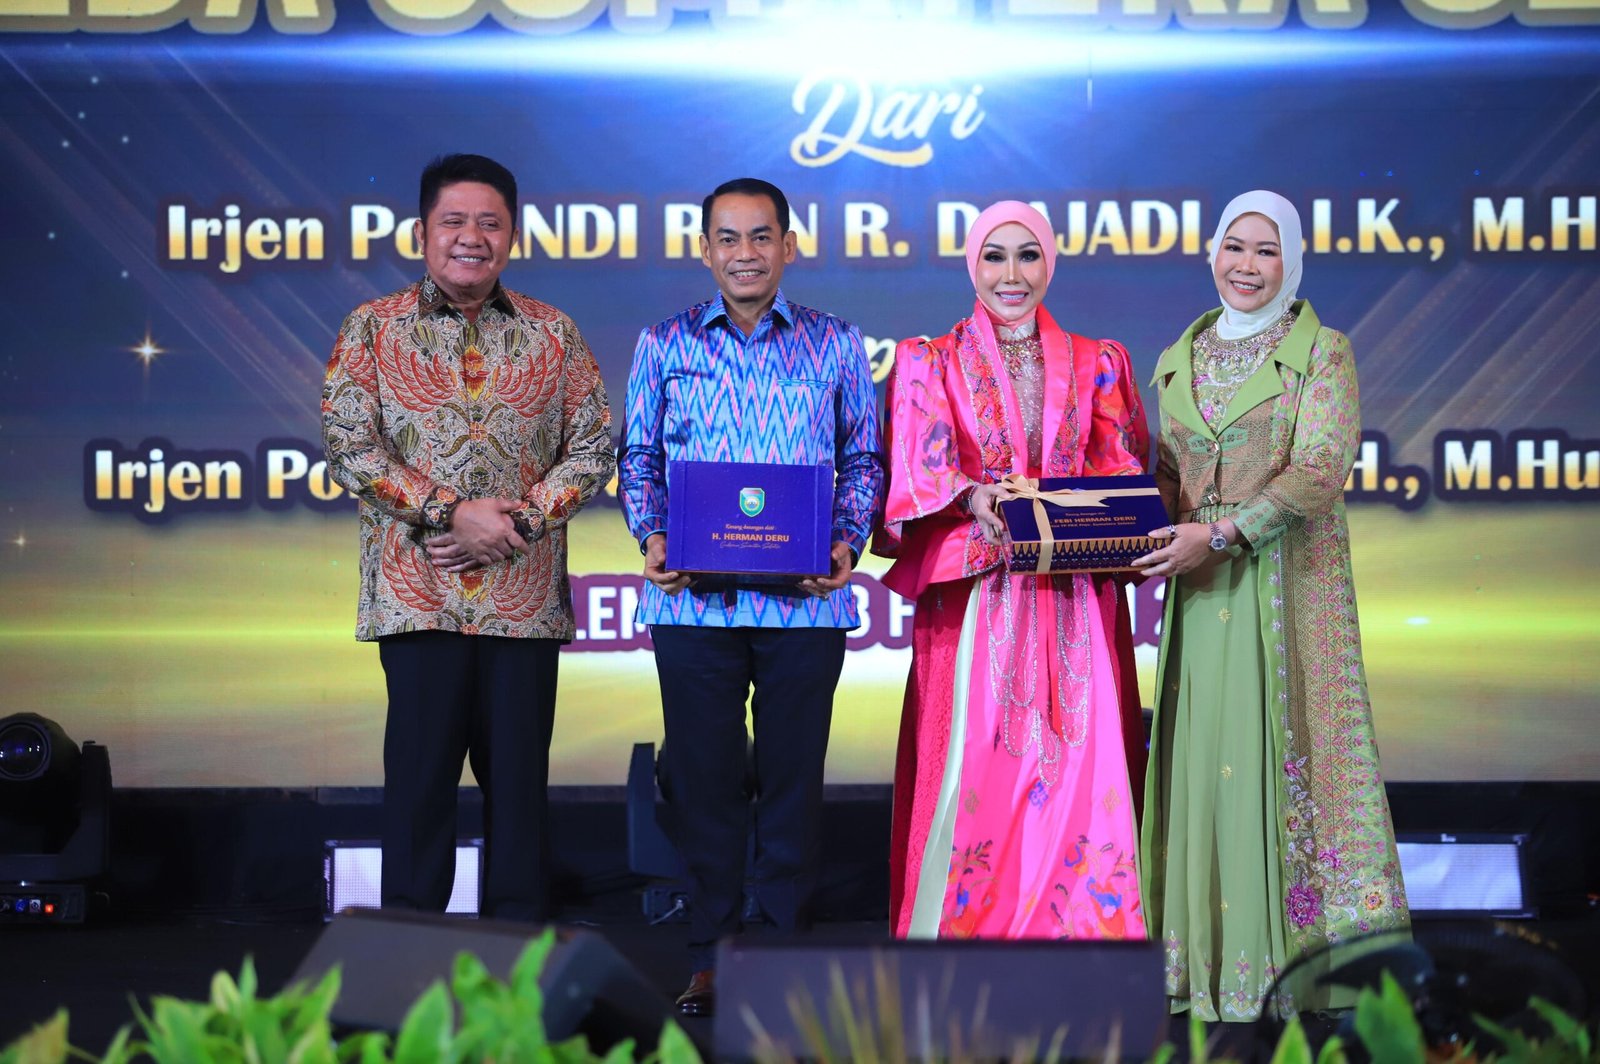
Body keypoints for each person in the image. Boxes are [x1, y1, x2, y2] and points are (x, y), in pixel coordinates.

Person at [1132, 190, 1410, 1021]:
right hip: (1199, 597)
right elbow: (1167, 477)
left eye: (1266, 251)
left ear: (1291, 261)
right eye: (1235, 247)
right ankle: (1203, 965)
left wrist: (1222, 534)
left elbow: (1322, 468)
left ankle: (1299, 969)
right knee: (1205, 762)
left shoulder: (1321, 352)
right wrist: (1120, 532)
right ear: (1211, 252)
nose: (1247, 266)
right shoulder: (1178, 356)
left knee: (1289, 754)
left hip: (1282, 591)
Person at [321, 153, 614, 922]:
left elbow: (593, 448)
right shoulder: (372, 329)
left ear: (512, 236)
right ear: (422, 232)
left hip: (523, 604)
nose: (471, 237)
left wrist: (515, 524)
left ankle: (515, 971)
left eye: (490, 223)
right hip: (419, 598)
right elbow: (350, 447)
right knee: (418, 792)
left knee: (520, 797)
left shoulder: (554, 332)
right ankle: (410, 966)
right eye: (454, 221)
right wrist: (452, 512)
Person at [618, 177, 883, 1018]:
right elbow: (639, 458)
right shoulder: (663, 344)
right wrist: (652, 535)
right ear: (705, 250)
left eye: (761, 236)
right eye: (727, 239)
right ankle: (713, 955)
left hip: (804, 602)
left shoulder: (835, 344)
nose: (745, 254)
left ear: (788, 246)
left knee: (792, 784)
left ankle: (780, 954)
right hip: (692, 604)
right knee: (705, 786)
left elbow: (864, 459)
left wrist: (844, 541)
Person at [873, 200, 1151, 940]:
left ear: (1049, 263)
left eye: (1028, 255)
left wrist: (1079, 507)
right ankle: (968, 942)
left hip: (1073, 594)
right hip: (981, 594)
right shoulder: (931, 360)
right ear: (973, 264)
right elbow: (919, 468)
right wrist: (975, 494)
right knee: (978, 764)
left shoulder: (1097, 362)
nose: (1012, 274)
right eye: (994, 256)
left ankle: (1087, 938)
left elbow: (1120, 468)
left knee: (1085, 764)